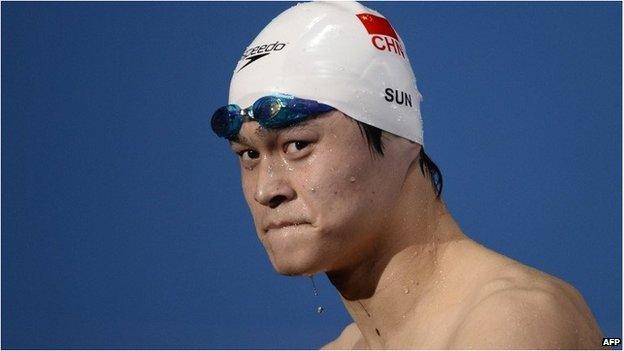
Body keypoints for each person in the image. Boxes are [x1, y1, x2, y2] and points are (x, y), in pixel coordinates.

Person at [210, 1, 605, 349]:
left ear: (397, 135)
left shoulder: (513, 322)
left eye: (298, 146)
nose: (266, 189)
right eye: (248, 154)